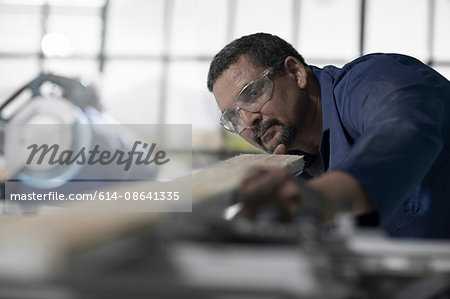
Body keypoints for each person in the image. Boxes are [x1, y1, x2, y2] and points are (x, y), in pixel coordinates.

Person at [206, 32, 450, 239]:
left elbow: (403, 130)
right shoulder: (294, 172)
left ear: (296, 72)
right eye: (233, 117)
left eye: (253, 93)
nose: (249, 121)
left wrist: (317, 198)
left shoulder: (373, 80)